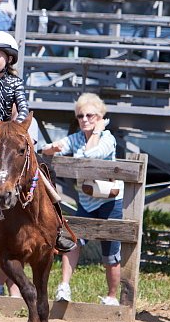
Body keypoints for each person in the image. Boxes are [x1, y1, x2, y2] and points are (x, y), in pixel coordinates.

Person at [0, 30, 75, 257]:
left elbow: (23, 108)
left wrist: (16, 126)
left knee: (47, 171)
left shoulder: (15, 83)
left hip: (9, 137)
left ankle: (57, 228)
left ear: (8, 59)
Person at [41, 93, 124, 306]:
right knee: (72, 241)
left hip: (109, 201)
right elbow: (48, 148)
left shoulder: (107, 138)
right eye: (80, 116)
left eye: (90, 115)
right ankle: (64, 286)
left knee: (111, 251)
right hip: (87, 201)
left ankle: (112, 296)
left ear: (100, 117)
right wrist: (52, 148)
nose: (85, 119)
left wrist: (97, 132)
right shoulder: (77, 137)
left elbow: (91, 155)